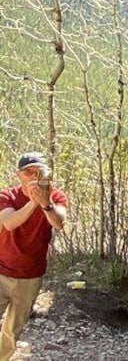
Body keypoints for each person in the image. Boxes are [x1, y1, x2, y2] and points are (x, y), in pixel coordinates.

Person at [0, 152, 68, 361]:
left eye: (39, 172)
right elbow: (9, 222)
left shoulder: (55, 197)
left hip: (30, 277)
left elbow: (59, 222)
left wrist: (45, 204)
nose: (33, 177)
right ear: (19, 175)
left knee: (12, 331)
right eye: (28, 172)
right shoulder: (6, 196)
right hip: (1, 271)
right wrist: (33, 202)